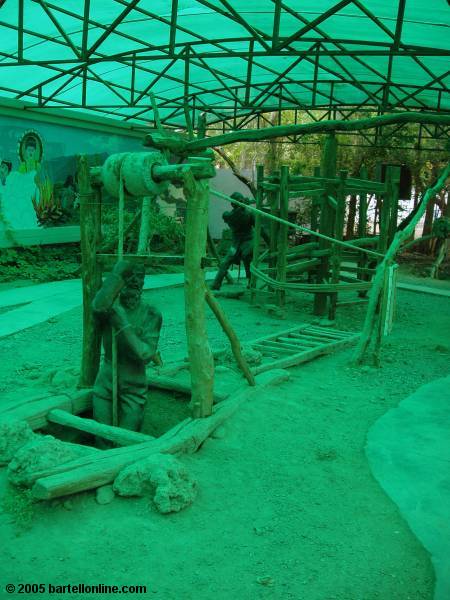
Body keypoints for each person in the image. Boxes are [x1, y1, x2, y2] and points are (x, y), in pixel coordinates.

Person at [92, 261, 162, 436]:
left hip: (134, 385)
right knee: (101, 435)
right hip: (106, 381)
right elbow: (97, 306)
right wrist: (117, 274)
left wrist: (123, 323)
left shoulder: (151, 314)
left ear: (144, 282)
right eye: (129, 276)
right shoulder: (108, 307)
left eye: (139, 276)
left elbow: (145, 354)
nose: (134, 281)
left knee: (127, 436)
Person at [211, 192, 268, 290]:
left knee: (247, 258)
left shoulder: (248, 214)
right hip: (236, 243)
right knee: (226, 261)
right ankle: (216, 284)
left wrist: (269, 241)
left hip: (248, 241)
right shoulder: (231, 215)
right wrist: (242, 206)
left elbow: (260, 229)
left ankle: (251, 283)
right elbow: (231, 216)